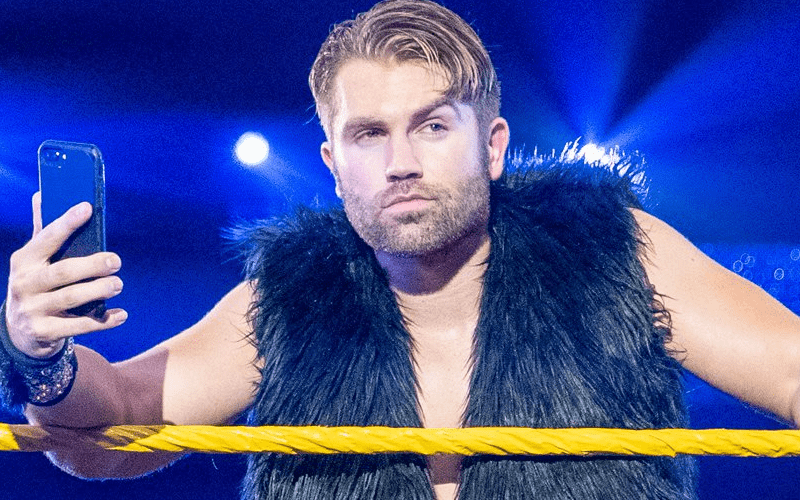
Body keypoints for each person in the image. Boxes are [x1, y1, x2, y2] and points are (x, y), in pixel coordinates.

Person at [2, 0, 799, 498]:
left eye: (432, 125)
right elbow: (111, 434)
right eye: (369, 134)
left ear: (492, 145)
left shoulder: (616, 250)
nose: (401, 162)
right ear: (333, 163)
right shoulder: (288, 295)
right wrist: (38, 355)